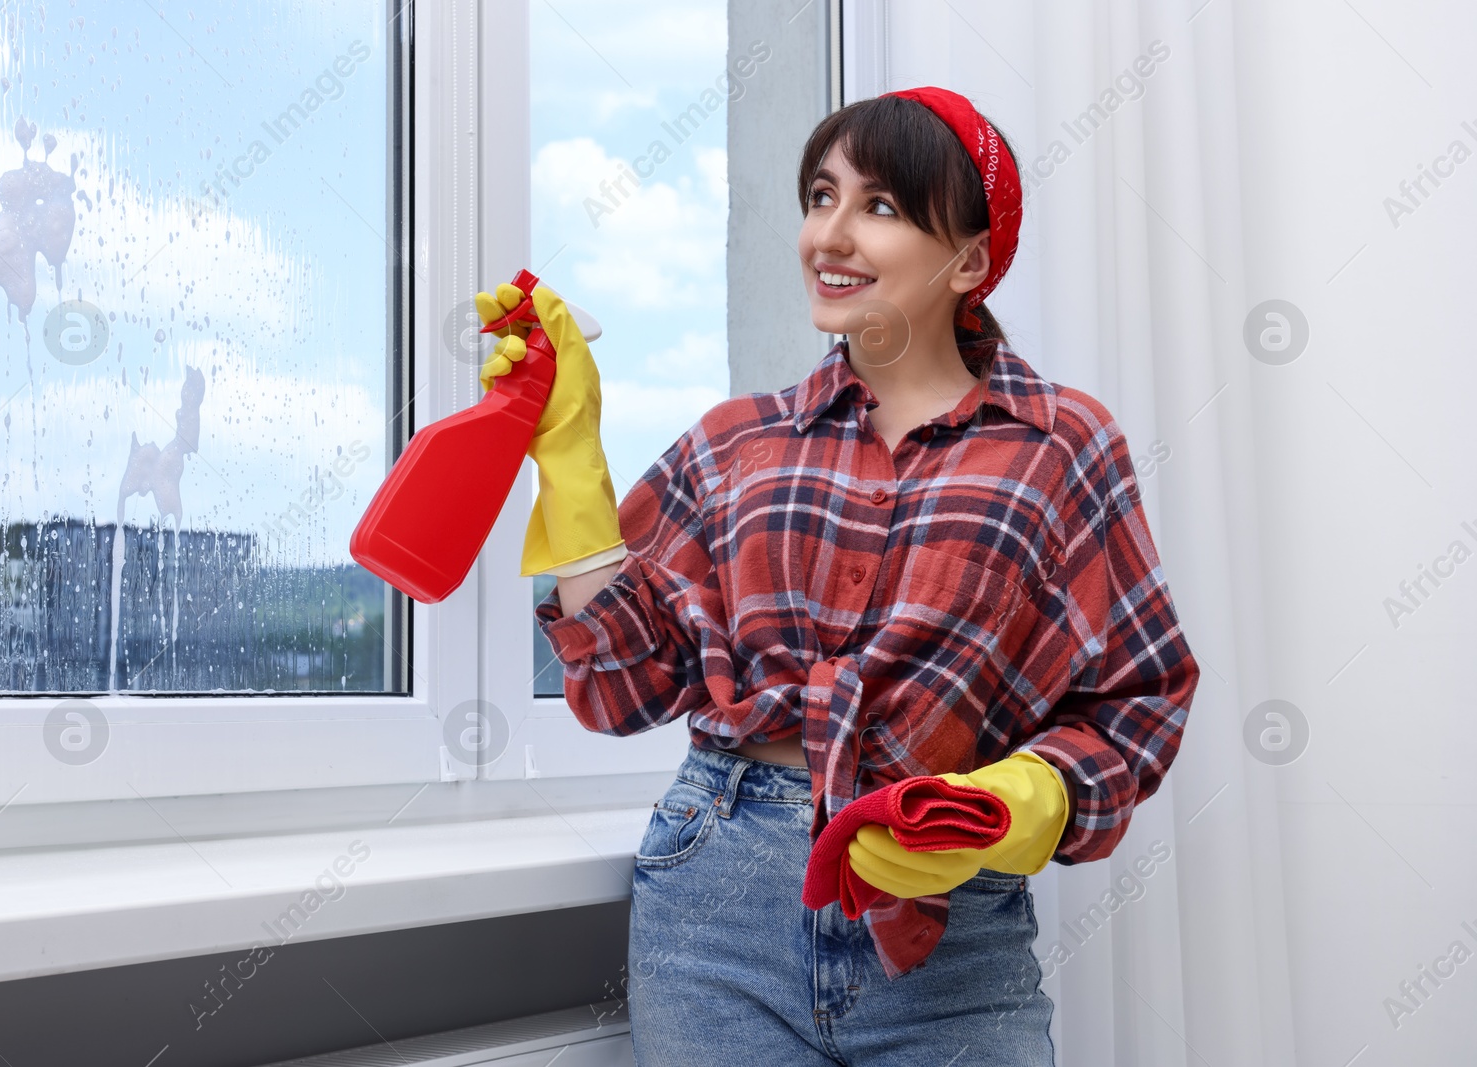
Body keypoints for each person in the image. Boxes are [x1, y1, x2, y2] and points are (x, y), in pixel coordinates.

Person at [476, 86, 1200, 1067]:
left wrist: (1019, 798)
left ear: (970, 260)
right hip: (716, 911)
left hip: (950, 942)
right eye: (821, 196)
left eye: (881, 206)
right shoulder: (737, 443)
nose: (831, 233)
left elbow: (1137, 698)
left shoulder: (1061, 447)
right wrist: (569, 456)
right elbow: (620, 687)